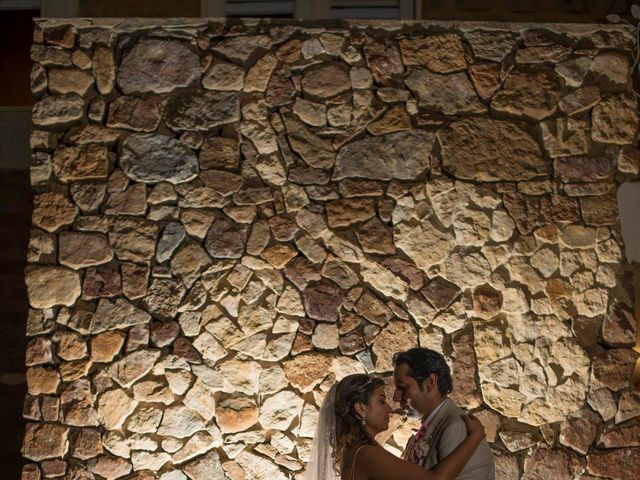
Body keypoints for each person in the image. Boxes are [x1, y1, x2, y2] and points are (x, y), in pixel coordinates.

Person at [305, 373, 486, 480]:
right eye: (382, 401)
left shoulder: (356, 451)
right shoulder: (366, 453)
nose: (390, 408)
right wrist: (475, 437)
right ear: (361, 408)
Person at [393, 348, 495, 480]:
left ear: (430, 382)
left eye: (402, 387)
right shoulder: (434, 426)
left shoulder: (454, 426)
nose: (395, 397)